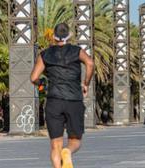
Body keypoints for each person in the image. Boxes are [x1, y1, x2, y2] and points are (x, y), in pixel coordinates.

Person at [30, 23, 94, 168]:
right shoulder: (77, 51)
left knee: (55, 145)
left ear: (53, 37)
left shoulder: (45, 54)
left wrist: (43, 83)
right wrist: (86, 83)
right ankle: (68, 151)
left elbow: (33, 77)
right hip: (74, 101)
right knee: (75, 141)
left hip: (54, 102)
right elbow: (90, 63)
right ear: (69, 36)